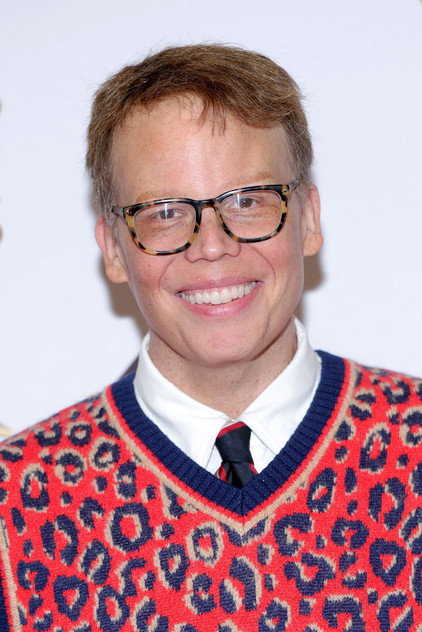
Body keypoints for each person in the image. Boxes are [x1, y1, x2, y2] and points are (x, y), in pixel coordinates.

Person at [0, 44, 421, 632]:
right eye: (164, 212)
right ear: (113, 250)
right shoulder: (19, 502)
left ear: (308, 219)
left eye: (247, 201)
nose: (213, 245)